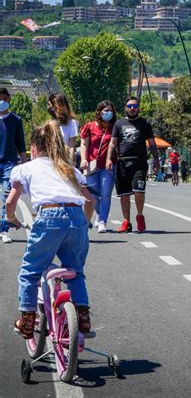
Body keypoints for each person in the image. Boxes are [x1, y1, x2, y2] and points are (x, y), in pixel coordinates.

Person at [6, 121, 95, 339]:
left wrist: (12, 219)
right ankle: (82, 316)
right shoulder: (68, 169)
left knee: (30, 272)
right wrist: (85, 223)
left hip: (49, 217)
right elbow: (89, 200)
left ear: (33, 148)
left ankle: (27, 321)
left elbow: (10, 202)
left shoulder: (25, 168)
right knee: (75, 272)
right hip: (76, 218)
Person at [106, 97, 159, 233]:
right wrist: (109, 159)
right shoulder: (118, 124)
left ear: (138, 107)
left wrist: (156, 160)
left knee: (138, 191)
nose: (132, 108)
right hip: (122, 163)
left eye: (135, 106)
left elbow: (152, 143)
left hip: (139, 162)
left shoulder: (145, 123)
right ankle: (126, 222)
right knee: (124, 194)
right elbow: (112, 143)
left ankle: (140, 216)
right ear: (125, 107)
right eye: (130, 106)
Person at [80, 100, 117, 233]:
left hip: (108, 166)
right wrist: (84, 159)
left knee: (106, 194)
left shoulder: (114, 127)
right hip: (91, 165)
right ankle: (99, 213)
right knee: (93, 195)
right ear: (99, 112)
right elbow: (84, 144)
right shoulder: (89, 127)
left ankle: (103, 220)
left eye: (111, 111)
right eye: (106, 110)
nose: (108, 113)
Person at [0, 88, 27, 243]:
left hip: (9, 162)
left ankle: (4, 230)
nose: (2, 102)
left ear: (9, 100)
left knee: (7, 196)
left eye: (4, 98)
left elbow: (20, 144)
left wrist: (24, 163)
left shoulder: (16, 120)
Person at [48, 93, 79, 162]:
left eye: (53, 106)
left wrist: (70, 162)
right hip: (52, 160)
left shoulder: (72, 123)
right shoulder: (50, 123)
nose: (50, 108)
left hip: (65, 159)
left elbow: (71, 145)